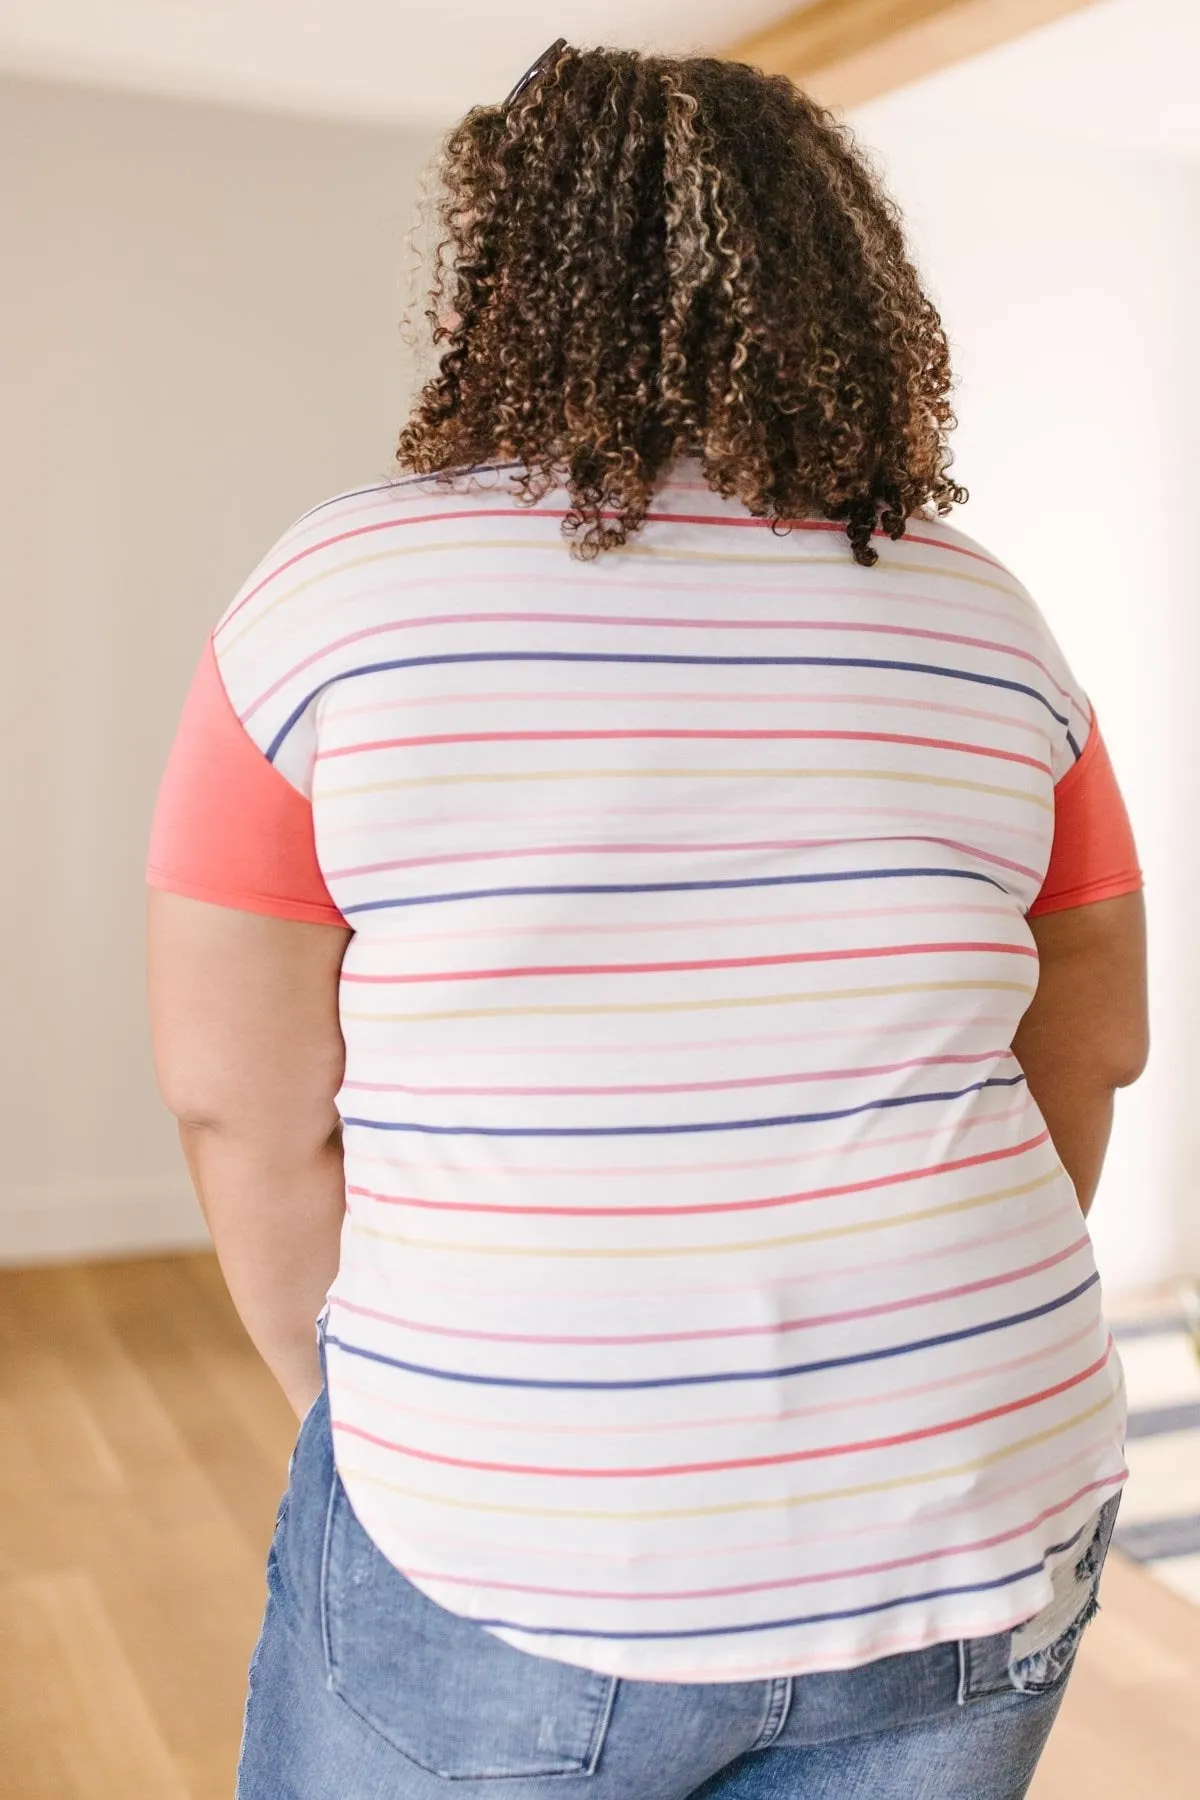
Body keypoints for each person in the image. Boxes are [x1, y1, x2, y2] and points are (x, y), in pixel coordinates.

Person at [146, 40, 1147, 1800]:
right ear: (846, 275)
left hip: (516, 1534)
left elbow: (240, 1099)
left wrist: (404, 1406)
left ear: (503, 272)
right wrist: (895, 1318)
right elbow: (1094, 1039)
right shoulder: (989, 616)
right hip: (985, 1505)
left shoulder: (338, 594)